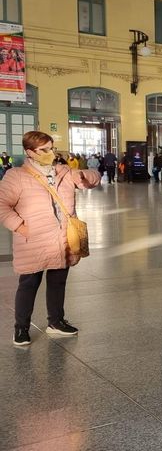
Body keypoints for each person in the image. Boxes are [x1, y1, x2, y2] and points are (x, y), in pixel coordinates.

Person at [0, 131, 100, 346]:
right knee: (28, 284)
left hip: (62, 239)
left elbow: (93, 180)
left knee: (58, 282)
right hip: (33, 240)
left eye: (51, 148)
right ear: (30, 152)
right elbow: (2, 205)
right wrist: (21, 227)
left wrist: (84, 176)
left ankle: (55, 322)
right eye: (44, 150)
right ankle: (21, 328)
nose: (50, 153)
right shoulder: (16, 176)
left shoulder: (63, 171)